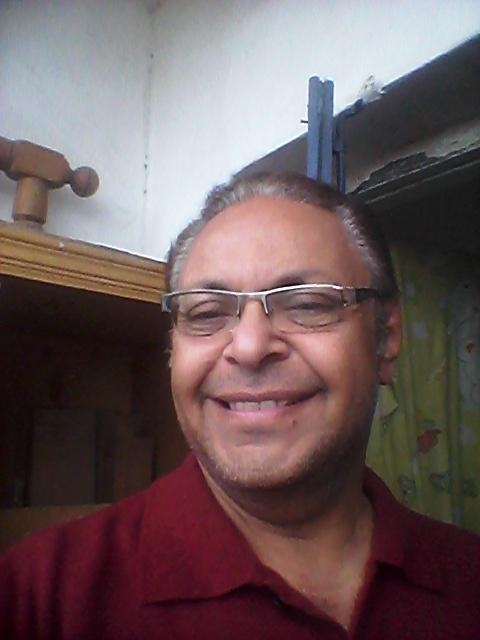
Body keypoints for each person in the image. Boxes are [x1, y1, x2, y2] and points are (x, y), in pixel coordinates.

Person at [1, 172, 479, 639]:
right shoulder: (37, 599)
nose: (249, 348)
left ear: (386, 338)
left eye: (307, 305)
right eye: (207, 312)